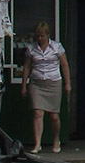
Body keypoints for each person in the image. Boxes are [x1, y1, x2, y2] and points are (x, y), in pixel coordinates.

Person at [21, 21, 70, 154]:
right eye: (38, 36)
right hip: (37, 83)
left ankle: (56, 138)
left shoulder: (57, 47)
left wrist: (68, 83)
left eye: (42, 36)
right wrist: (24, 85)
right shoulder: (31, 49)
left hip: (53, 82)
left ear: (48, 35)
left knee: (54, 116)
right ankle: (37, 144)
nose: (40, 38)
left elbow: (64, 65)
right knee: (38, 113)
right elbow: (27, 67)